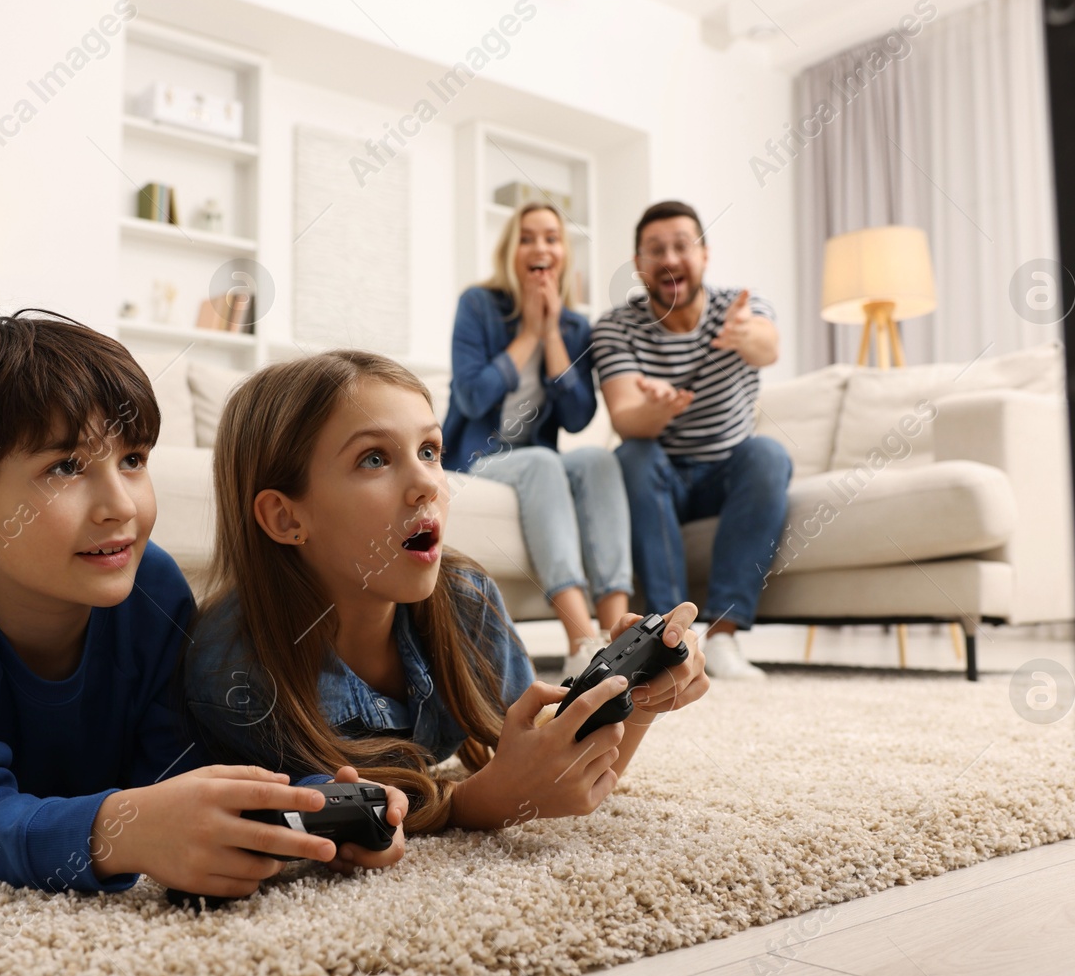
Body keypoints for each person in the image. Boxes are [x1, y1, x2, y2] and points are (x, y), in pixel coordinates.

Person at [0, 311, 405, 899]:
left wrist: (310, 803)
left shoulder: (151, 587)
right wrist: (117, 831)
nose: (121, 506)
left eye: (132, 460)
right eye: (66, 467)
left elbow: (173, 769)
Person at [184, 350, 708, 835]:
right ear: (286, 516)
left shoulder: (466, 598)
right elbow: (313, 821)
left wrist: (635, 699)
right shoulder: (236, 674)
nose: (429, 485)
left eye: (429, 450)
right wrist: (472, 805)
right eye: (373, 459)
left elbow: (559, 774)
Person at [592, 201, 793, 681]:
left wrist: (747, 335)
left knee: (768, 453)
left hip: (727, 474)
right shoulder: (616, 326)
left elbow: (768, 346)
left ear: (703, 255)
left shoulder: (739, 306)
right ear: (639, 266)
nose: (670, 259)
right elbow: (625, 419)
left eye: (682, 246)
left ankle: (723, 637)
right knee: (633, 455)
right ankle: (670, 635)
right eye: (655, 250)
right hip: (661, 476)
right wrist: (654, 411)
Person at [442, 201, 633, 679]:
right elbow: (470, 396)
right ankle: (582, 643)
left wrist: (551, 336)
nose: (539, 246)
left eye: (551, 237)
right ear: (511, 251)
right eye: (527, 237)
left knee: (596, 460)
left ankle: (622, 640)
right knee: (544, 462)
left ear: (563, 254)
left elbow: (577, 415)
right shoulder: (478, 306)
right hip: (476, 459)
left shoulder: (574, 327)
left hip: (534, 458)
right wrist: (527, 332)